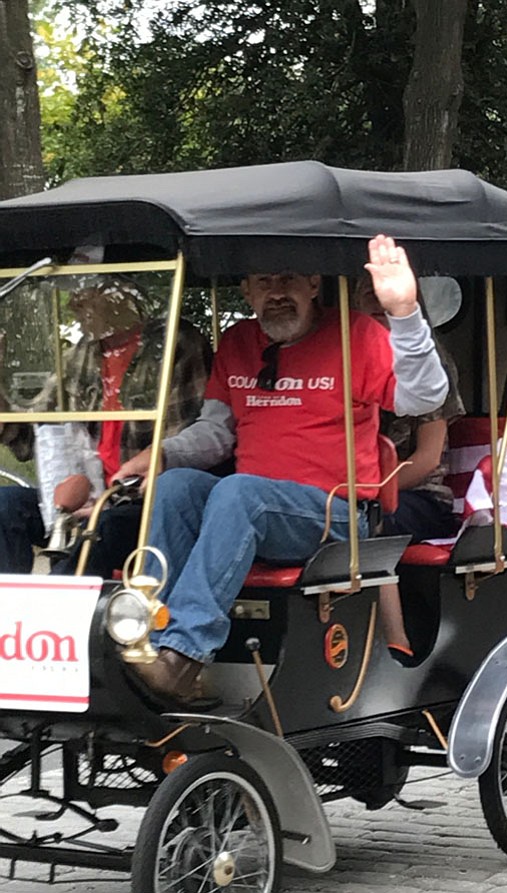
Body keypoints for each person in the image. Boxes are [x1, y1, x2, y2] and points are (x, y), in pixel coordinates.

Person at [116, 235, 449, 703]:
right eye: (263, 282)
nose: (276, 292)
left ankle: (183, 657)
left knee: (238, 493)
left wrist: (405, 314)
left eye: (288, 279)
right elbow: (216, 432)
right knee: (174, 487)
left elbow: (424, 398)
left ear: (313, 284)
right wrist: (162, 455)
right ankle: (145, 636)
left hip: (336, 515)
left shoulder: (357, 335)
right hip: (260, 509)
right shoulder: (237, 343)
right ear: (247, 292)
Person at [0, 273, 212, 576]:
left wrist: (108, 498)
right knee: (5, 505)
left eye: (86, 292)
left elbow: (179, 455)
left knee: (98, 528)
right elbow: (32, 434)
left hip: (142, 504)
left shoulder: (176, 346)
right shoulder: (81, 355)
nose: (74, 303)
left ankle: (58, 618)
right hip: (83, 500)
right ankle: (9, 613)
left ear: (123, 294)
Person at [354, 272, 463, 662]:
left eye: (379, 295)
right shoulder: (347, 353)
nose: (373, 303)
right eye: (364, 294)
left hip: (418, 495)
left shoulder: (427, 362)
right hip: (350, 486)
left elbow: (428, 457)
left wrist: (369, 489)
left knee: (364, 519)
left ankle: (396, 644)